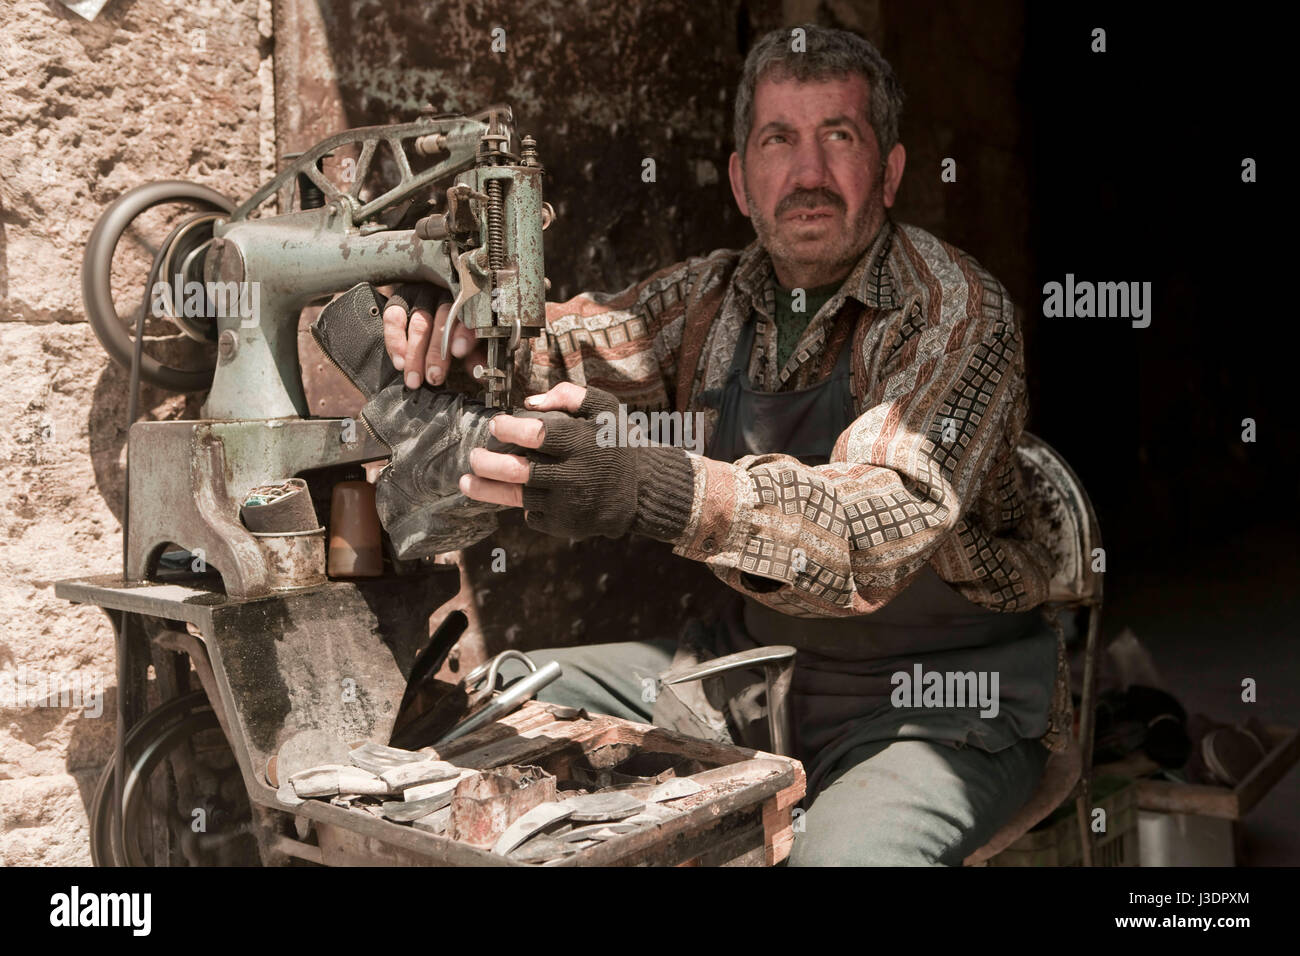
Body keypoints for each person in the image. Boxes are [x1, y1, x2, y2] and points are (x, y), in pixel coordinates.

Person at [380, 24, 1064, 866]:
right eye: (779, 140)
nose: (808, 174)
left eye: (839, 137)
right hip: (754, 672)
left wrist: (650, 487)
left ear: (889, 173)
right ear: (742, 181)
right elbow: (548, 344)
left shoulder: (957, 314)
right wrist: (445, 304)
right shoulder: (709, 300)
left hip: (935, 702)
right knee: (498, 709)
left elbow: (873, 534)